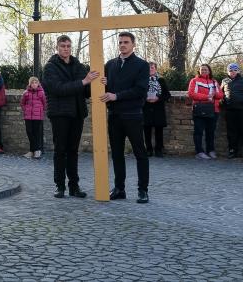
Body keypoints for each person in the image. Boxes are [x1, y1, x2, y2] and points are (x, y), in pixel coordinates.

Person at [42, 35, 98, 199]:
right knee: (60, 150)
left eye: (68, 46)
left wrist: (99, 84)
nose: (66, 49)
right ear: (57, 48)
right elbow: (58, 89)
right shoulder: (50, 67)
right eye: (63, 46)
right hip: (60, 114)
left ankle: (74, 186)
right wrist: (83, 82)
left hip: (77, 113)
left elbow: (86, 90)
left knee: (73, 151)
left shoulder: (78, 66)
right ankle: (60, 186)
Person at [100, 31, 150, 204]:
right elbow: (106, 90)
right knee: (116, 154)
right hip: (114, 116)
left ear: (133, 45)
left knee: (140, 153)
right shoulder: (110, 64)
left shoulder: (142, 65)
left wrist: (117, 96)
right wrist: (103, 86)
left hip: (133, 115)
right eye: (120, 42)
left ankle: (143, 190)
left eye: (126, 42)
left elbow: (140, 90)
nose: (122, 45)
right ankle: (119, 189)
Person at [187, 64, 223, 160]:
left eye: (206, 69)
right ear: (199, 71)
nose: (204, 71)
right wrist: (207, 96)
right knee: (198, 131)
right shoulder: (194, 81)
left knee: (210, 132)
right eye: (202, 70)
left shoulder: (214, 81)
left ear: (209, 71)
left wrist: (214, 94)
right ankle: (199, 151)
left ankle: (210, 150)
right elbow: (191, 94)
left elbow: (221, 95)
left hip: (214, 110)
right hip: (200, 109)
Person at [142, 62, 171, 157]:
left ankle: (159, 150)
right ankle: (148, 150)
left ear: (156, 69)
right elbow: (138, 93)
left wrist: (158, 98)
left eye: (152, 68)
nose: (150, 69)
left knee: (159, 130)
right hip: (146, 108)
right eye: (149, 68)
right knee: (147, 131)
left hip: (158, 108)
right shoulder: (142, 80)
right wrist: (145, 98)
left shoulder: (161, 80)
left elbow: (167, 95)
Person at [20, 76, 46, 159]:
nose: (34, 84)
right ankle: (33, 151)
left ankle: (36, 151)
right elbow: (22, 103)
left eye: (36, 82)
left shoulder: (41, 93)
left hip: (37, 117)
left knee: (36, 133)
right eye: (32, 83)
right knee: (29, 132)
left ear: (38, 83)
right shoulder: (26, 93)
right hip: (28, 116)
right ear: (30, 84)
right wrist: (26, 110)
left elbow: (45, 104)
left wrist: (41, 111)